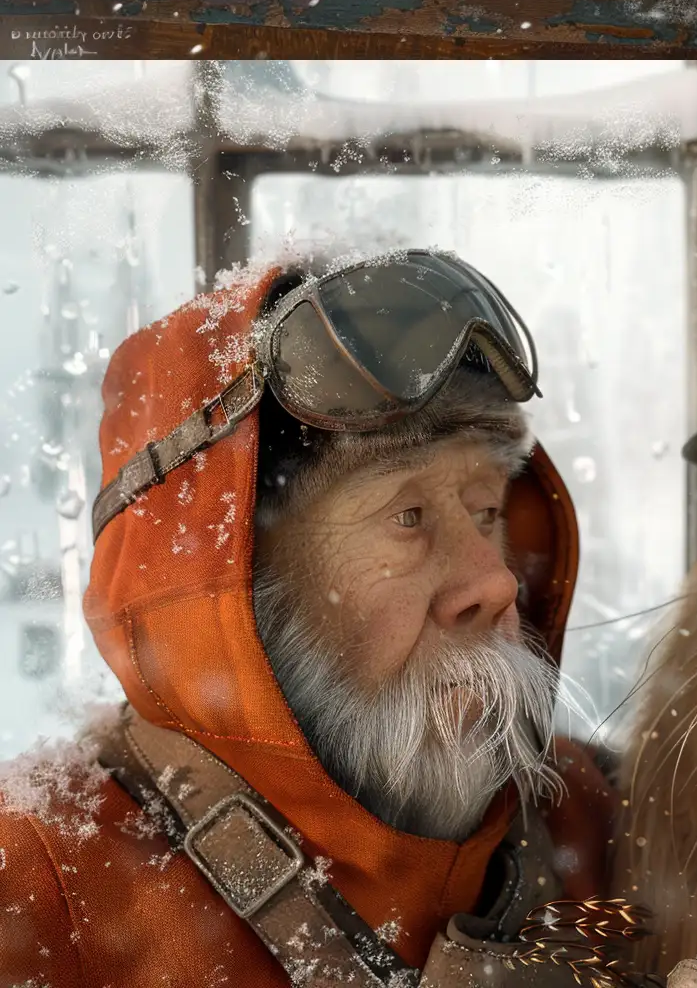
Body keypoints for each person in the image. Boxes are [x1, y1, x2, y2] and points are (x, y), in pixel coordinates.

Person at [0, 251, 640, 987]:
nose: (495, 582)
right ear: (233, 580)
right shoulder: (36, 890)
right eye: (407, 516)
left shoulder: (600, 814)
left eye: (487, 509)